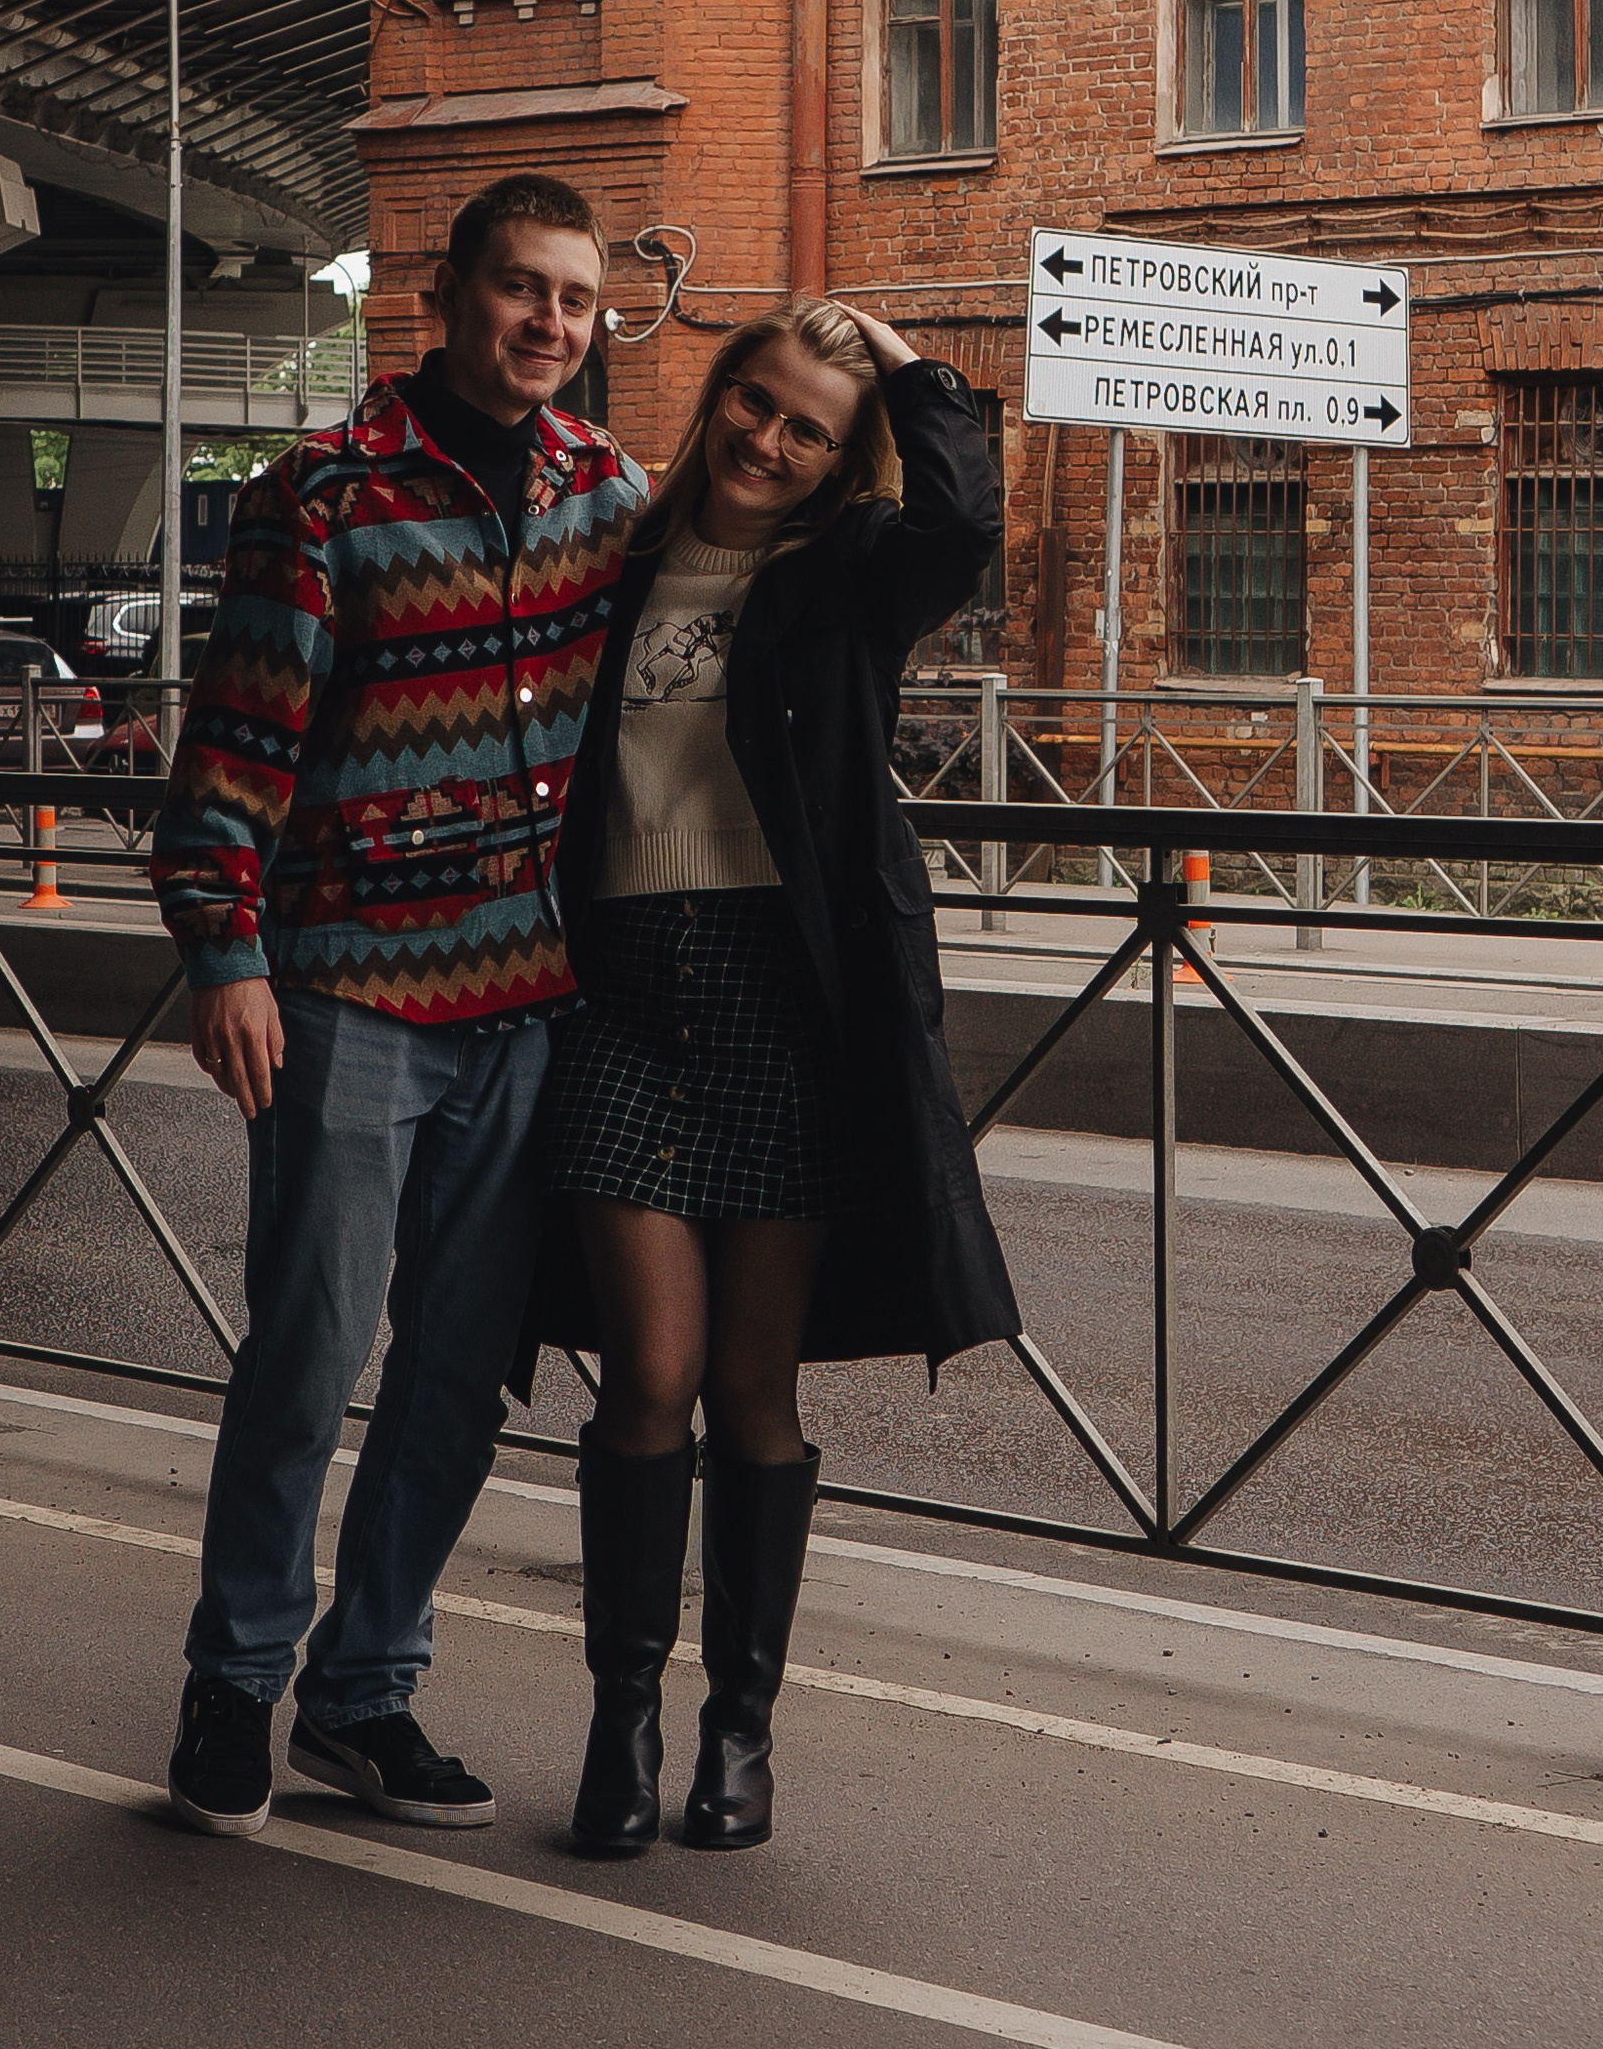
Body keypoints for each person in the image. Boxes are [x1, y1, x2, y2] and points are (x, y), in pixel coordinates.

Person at [150, 172, 646, 1841]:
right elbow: (235, 746)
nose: (549, 326)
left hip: (529, 1003)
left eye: (575, 302)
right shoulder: (327, 494)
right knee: (304, 1351)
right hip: (350, 989)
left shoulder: (607, 493)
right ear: (446, 294)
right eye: (522, 290)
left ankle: (364, 1700)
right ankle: (234, 1685)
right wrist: (224, 954)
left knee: (453, 1378)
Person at [539, 303, 1021, 1856]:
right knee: (649, 1381)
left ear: (834, 457)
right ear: (720, 401)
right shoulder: (616, 559)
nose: (768, 439)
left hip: (786, 1011)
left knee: (752, 1389)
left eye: (805, 428)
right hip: (621, 1001)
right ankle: (620, 1722)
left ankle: (738, 1733)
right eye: (754, 405)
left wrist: (906, 371)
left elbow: (965, 521)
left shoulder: (851, 577)